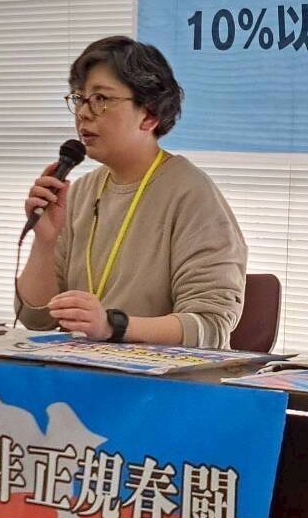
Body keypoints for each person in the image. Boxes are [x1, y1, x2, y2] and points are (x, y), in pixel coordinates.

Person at [16, 35, 246, 347]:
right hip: (82, 368)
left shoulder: (191, 194)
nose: (83, 113)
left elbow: (210, 327)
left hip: (160, 376)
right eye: (80, 98)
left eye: (100, 99)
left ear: (149, 115)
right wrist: (45, 242)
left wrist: (112, 326)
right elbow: (35, 318)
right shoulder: (80, 192)